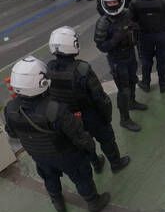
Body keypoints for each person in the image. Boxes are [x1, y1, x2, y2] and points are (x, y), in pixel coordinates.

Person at [4, 56, 111, 212]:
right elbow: (78, 135)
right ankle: (93, 202)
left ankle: (58, 203)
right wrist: (90, 149)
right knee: (81, 177)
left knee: (50, 178)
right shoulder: (54, 109)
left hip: (39, 156)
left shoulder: (11, 109)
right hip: (66, 155)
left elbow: (12, 133)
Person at [46, 26, 131, 173]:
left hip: (69, 117)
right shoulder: (82, 69)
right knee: (106, 139)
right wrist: (106, 116)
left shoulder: (49, 68)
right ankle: (116, 163)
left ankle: (96, 164)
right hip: (90, 114)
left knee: (84, 142)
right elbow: (99, 97)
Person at [94, 0, 147, 132]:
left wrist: (135, 28)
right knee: (123, 90)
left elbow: (137, 29)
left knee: (132, 80)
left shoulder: (128, 13)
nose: (112, 5)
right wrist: (115, 40)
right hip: (117, 60)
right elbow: (101, 46)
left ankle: (132, 102)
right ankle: (124, 119)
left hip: (130, 54)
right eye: (110, 3)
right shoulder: (103, 22)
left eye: (115, 2)